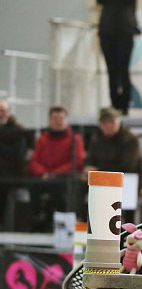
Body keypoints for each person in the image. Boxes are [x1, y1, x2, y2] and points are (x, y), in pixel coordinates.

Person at [29, 106, 85, 229]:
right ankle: (38, 219)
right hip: (45, 177)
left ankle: (62, 224)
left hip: (64, 179)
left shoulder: (75, 138)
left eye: (61, 118)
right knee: (33, 186)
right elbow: (34, 160)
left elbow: (77, 161)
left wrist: (55, 173)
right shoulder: (43, 139)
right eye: (54, 118)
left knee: (60, 190)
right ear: (49, 121)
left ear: (66, 120)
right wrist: (42, 172)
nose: (58, 121)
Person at [97, 0, 139, 115]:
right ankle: (114, 105)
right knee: (111, 70)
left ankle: (124, 105)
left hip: (125, 30)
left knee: (123, 69)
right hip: (107, 30)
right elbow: (100, 0)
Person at [85, 107, 142, 179]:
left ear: (119, 122)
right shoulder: (96, 139)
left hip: (127, 178)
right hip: (101, 177)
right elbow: (90, 159)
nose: (108, 126)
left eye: (112, 122)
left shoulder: (130, 139)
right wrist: (88, 169)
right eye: (104, 122)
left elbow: (127, 166)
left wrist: (99, 170)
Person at [0, 98, 32, 226]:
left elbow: (17, 155)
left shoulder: (18, 131)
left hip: (11, 176)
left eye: (2, 110)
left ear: (8, 112)